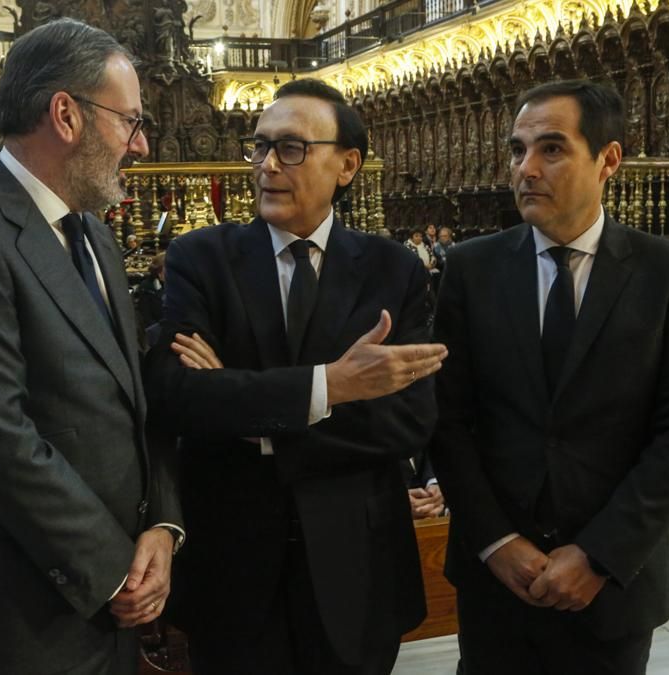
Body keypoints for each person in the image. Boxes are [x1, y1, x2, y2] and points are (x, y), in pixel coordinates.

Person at [0, 18, 182, 675]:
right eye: (130, 121)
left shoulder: (94, 237)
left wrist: (162, 526)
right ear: (66, 115)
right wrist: (116, 572)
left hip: (108, 594)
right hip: (16, 610)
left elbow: (133, 402)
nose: (139, 145)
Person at [146, 78, 446, 675]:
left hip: (355, 563)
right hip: (232, 562)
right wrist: (331, 387)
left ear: (347, 164)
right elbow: (178, 398)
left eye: (290, 148)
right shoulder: (201, 259)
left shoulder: (393, 270)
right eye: (259, 147)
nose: (265, 166)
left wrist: (249, 414)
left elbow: (409, 420)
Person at [432, 80, 669, 674]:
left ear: (608, 159)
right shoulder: (471, 268)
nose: (526, 169)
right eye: (517, 150)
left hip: (614, 583)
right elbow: (448, 417)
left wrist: (599, 555)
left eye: (551, 149)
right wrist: (495, 541)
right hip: (497, 583)